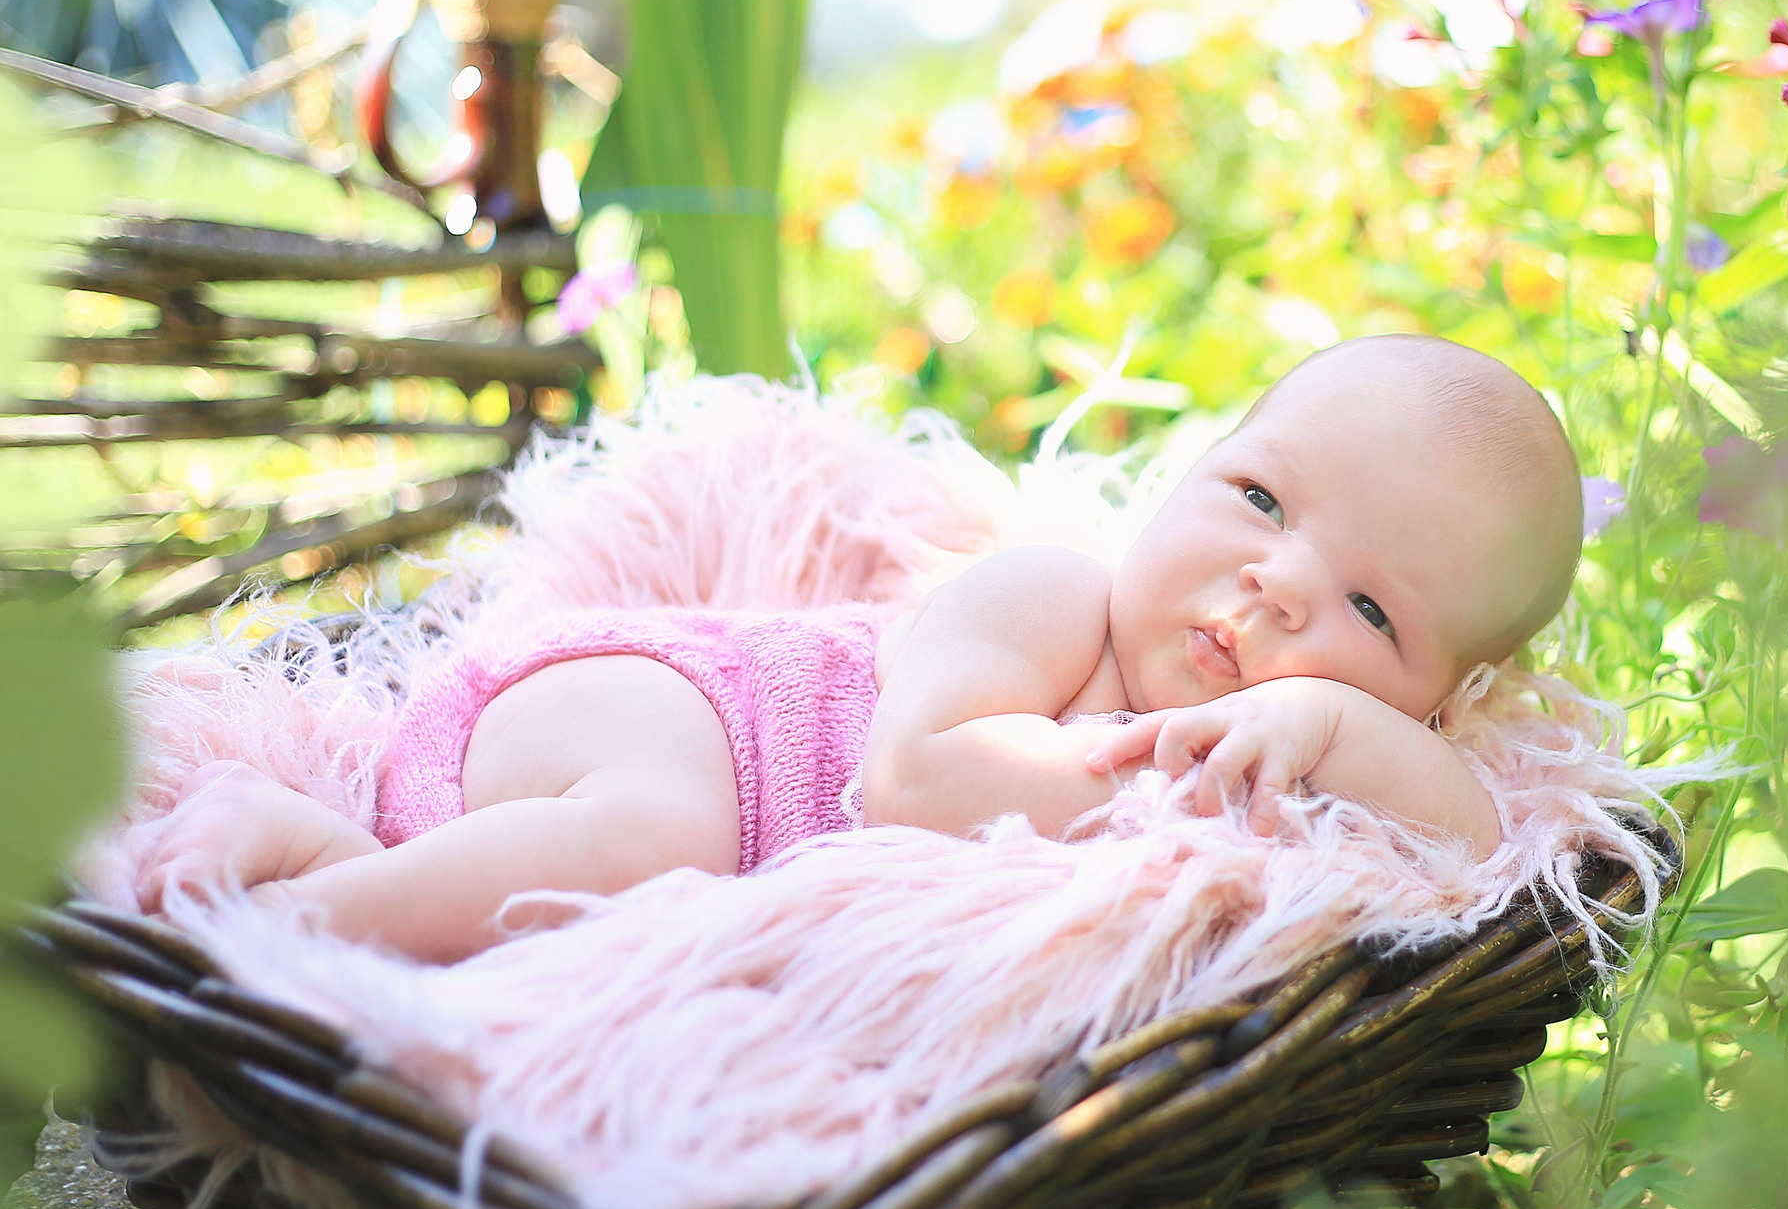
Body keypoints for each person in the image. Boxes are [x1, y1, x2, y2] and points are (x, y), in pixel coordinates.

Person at [126, 336, 1587, 962]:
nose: (1272, 583)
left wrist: (1334, 740)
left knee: (615, 906)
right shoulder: (1049, 599)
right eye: (1259, 499)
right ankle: (292, 945)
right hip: (664, 715)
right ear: (1193, 461)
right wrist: (1168, 784)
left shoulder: (1319, 771)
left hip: (572, 851)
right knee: (655, 837)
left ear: (1443, 696)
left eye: (1372, 613)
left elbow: (1473, 837)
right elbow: (919, 776)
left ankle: (311, 847)